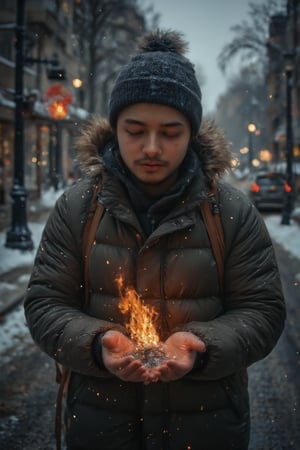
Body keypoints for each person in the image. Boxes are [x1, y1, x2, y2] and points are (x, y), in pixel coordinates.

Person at [24, 30, 286, 450]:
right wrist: (97, 343)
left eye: (170, 132)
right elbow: (44, 304)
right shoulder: (77, 208)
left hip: (206, 429)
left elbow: (264, 311)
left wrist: (200, 347)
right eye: (135, 130)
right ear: (115, 129)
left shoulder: (232, 212)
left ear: (192, 132)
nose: (151, 148)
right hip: (100, 426)